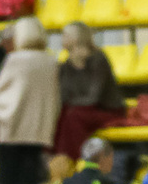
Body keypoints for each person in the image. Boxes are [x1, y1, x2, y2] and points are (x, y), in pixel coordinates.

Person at [0, 15, 61, 184]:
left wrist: (0, 114)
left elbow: (0, 90)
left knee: (6, 179)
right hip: (38, 125)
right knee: (28, 179)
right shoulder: (50, 60)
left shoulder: (15, 59)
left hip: (13, 123)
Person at [54, 20, 127, 161]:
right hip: (81, 110)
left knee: (74, 116)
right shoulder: (66, 65)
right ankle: (58, 160)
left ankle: (73, 160)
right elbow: (63, 96)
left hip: (107, 110)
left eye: (65, 35)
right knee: (61, 114)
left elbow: (94, 97)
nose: (62, 39)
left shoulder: (98, 59)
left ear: (77, 37)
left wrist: (73, 101)